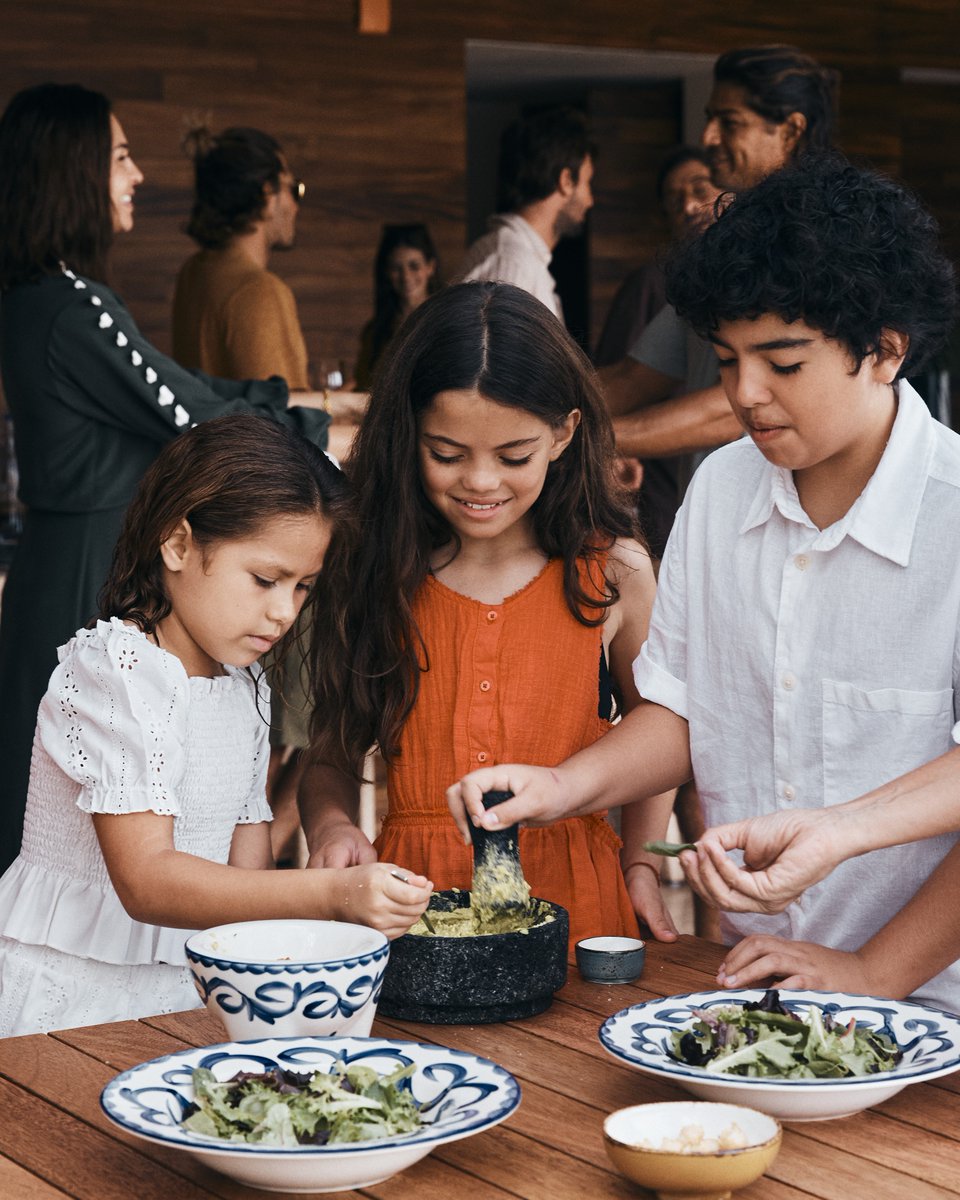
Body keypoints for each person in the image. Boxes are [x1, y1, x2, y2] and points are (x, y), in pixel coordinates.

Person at [447, 156, 960, 1013]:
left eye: (783, 363)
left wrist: (872, 974)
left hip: (934, 1010)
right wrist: (565, 786)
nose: (745, 394)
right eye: (725, 360)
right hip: (747, 981)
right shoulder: (722, 489)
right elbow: (683, 712)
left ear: (885, 350)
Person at [0, 415, 431, 1037]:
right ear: (177, 545)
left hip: (188, 995)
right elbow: (147, 880)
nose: (284, 612)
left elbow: (244, 885)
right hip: (73, 998)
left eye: (303, 587)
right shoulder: (114, 669)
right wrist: (330, 894)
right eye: (264, 580)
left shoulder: (241, 685)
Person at [0, 83, 332, 874]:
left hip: (60, 561)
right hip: (86, 566)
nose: (137, 175)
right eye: (118, 155)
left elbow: (177, 385)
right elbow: (187, 410)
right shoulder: (69, 304)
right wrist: (306, 422)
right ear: (70, 170)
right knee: (86, 828)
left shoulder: (37, 300)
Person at [298, 281, 679, 951]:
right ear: (407, 433)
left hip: (578, 911)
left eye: (513, 457)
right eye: (446, 454)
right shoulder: (374, 570)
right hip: (414, 920)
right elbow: (329, 758)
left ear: (564, 434)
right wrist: (332, 828)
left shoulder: (614, 570)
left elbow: (663, 727)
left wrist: (641, 860)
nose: (480, 482)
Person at [171, 123, 334, 866]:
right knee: (292, 730)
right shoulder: (258, 289)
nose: (295, 206)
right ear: (267, 197)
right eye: (293, 190)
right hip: (269, 520)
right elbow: (287, 421)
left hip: (214, 514)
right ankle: (262, 891)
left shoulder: (195, 276)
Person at [601, 45, 840, 465]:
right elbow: (634, 378)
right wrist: (526, 416)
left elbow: (737, 408)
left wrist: (580, 440)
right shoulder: (720, 245)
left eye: (728, 123)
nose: (707, 138)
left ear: (791, 130)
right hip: (709, 513)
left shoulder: (828, 246)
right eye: (710, 119)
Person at [454, 107, 594, 323]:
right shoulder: (511, 266)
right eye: (587, 182)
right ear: (566, 181)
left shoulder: (519, 261)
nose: (590, 200)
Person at [354, 223, 440, 390]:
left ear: (431, 267)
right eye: (396, 268)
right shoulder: (375, 331)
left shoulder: (447, 321)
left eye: (414, 266)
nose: (406, 277)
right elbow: (362, 386)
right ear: (386, 272)